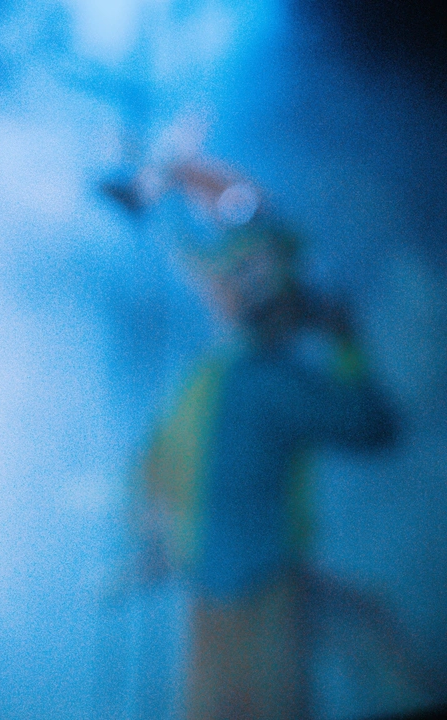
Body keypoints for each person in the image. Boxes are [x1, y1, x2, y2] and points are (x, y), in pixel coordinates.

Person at [103, 157, 406, 719]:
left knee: (368, 631)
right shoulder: (233, 381)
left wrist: (176, 176)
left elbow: (373, 426)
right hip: (245, 604)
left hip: (240, 599)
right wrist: (346, 343)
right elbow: (372, 424)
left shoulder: (223, 382)